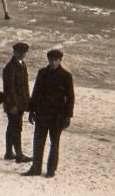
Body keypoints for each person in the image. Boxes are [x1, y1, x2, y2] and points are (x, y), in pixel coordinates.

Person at [22, 48, 75, 178]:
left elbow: (70, 97)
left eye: (55, 60)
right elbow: (36, 92)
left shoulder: (66, 76)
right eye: (51, 60)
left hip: (57, 116)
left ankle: (51, 169)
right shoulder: (42, 73)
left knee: (54, 143)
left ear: (60, 60)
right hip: (42, 114)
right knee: (38, 142)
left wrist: (68, 116)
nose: (53, 62)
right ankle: (36, 168)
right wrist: (31, 110)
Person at [1, 42, 33, 164]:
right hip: (13, 104)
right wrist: (13, 105)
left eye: (23, 52)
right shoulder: (10, 68)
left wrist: (27, 102)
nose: (22, 54)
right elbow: (9, 89)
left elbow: (25, 86)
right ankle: (19, 154)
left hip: (19, 103)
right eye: (19, 52)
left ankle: (9, 152)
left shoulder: (22, 65)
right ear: (14, 52)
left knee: (12, 127)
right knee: (16, 127)